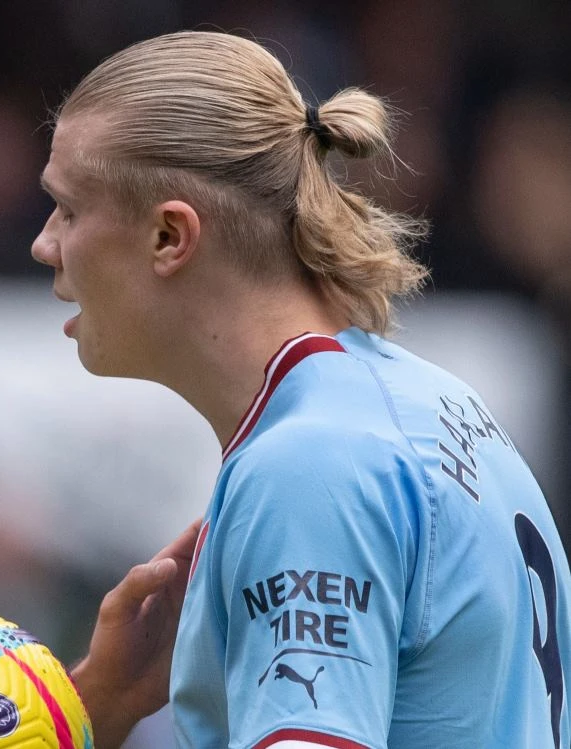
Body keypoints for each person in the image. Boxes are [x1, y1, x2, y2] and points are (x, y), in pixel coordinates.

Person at [33, 30, 571, 749]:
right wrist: (100, 704)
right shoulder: (422, 400)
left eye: (67, 209)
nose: (44, 243)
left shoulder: (309, 462)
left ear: (169, 236)